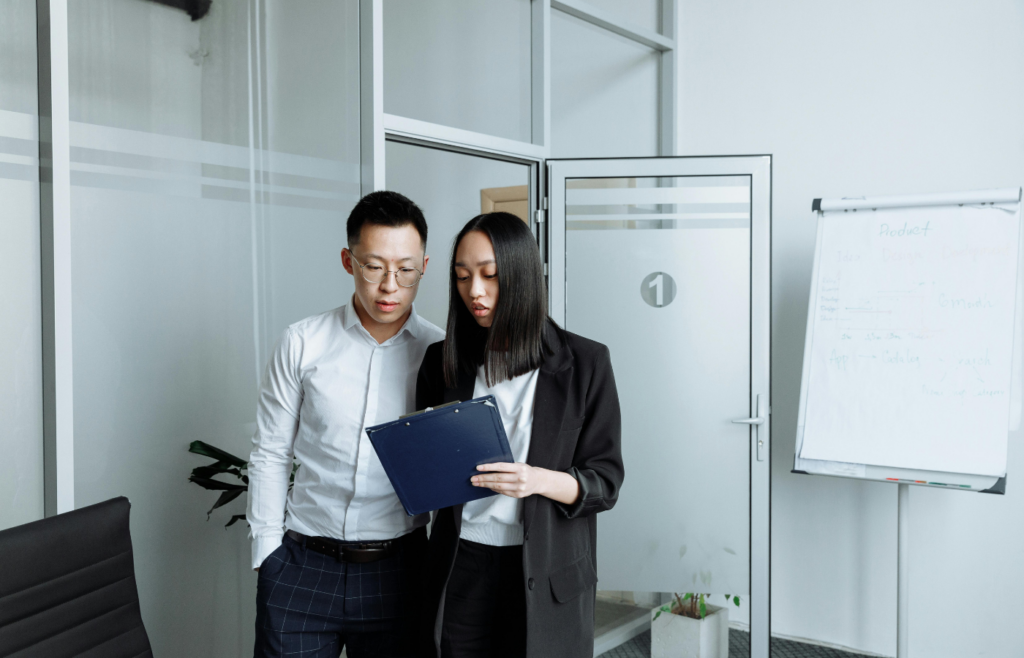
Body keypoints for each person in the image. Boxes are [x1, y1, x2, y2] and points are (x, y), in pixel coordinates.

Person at [416, 212, 624, 658]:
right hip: (461, 564)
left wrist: (537, 480)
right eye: (462, 276)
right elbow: (426, 475)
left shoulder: (585, 363)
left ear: (523, 275)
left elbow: (605, 483)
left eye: (490, 276)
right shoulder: (442, 362)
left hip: (547, 572)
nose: (475, 291)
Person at [246, 191, 445, 658]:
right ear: (348, 260)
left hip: (400, 570)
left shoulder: (440, 353)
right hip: (300, 565)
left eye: (406, 269)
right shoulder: (302, 342)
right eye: (374, 266)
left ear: (424, 266)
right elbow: (270, 451)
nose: (390, 286)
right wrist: (267, 553)